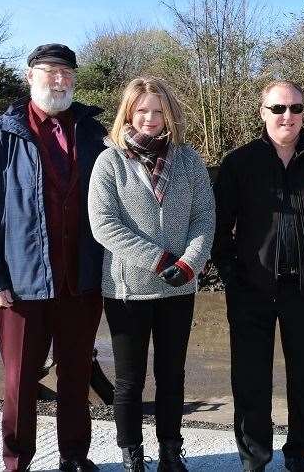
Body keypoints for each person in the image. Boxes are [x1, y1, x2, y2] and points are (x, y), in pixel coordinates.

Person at [0, 43, 107, 472]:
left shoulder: (94, 132)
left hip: (81, 279)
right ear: (30, 77)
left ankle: (74, 456)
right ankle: (17, 460)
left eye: (67, 73)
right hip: (20, 282)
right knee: (20, 381)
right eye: (50, 71)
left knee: (76, 376)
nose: (59, 80)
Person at [88, 76, 215, 472]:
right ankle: (132, 455)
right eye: (142, 110)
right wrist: (160, 261)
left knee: (172, 376)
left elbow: (205, 217)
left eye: (158, 111)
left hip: (179, 289)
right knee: (129, 383)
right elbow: (103, 224)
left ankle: (170, 452)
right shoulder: (109, 161)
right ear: (128, 112)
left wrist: (189, 263)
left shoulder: (189, 160)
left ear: (169, 114)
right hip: (128, 292)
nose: (150, 118)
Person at [212, 80, 304, 472]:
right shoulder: (239, 163)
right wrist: (232, 274)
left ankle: (298, 454)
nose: (288, 116)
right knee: (250, 380)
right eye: (278, 108)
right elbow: (218, 226)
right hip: (252, 288)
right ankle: (254, 458)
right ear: (262, 112)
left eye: (296, 109)